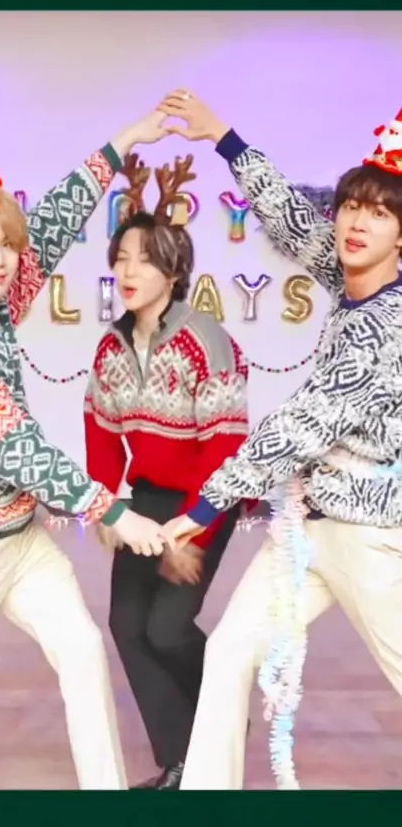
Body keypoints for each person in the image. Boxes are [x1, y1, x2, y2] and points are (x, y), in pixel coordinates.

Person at [0, 110, 176, 791]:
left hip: (19, 537)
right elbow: (19, 450)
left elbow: (57, 219)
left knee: (83, 651)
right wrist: (113, 512)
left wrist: (124, 143)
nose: (0, 258)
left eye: (6, 243)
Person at [157, 90, 402, 790]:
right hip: (304, 529)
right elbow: (293, 220)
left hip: (367, 535)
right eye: (351, 205)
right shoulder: (351, 275)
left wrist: (207, 505)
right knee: (231, 651)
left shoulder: (387, 325)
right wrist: (224, 138)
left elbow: (300, 424)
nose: (357, 222)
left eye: (380, 213)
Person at [83, 151, 254, 789]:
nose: (129, 271)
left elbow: (224, 450)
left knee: (168, 628)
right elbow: (101, 430)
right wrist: (106, 507)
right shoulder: (111, 345)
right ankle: (182, 761)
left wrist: (194, 531)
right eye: (121, 258)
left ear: (175, 270)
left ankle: (224, 711)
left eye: (145, 260)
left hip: (207, 498)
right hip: (148, 497)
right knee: (126, 626)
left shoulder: (206, 340)